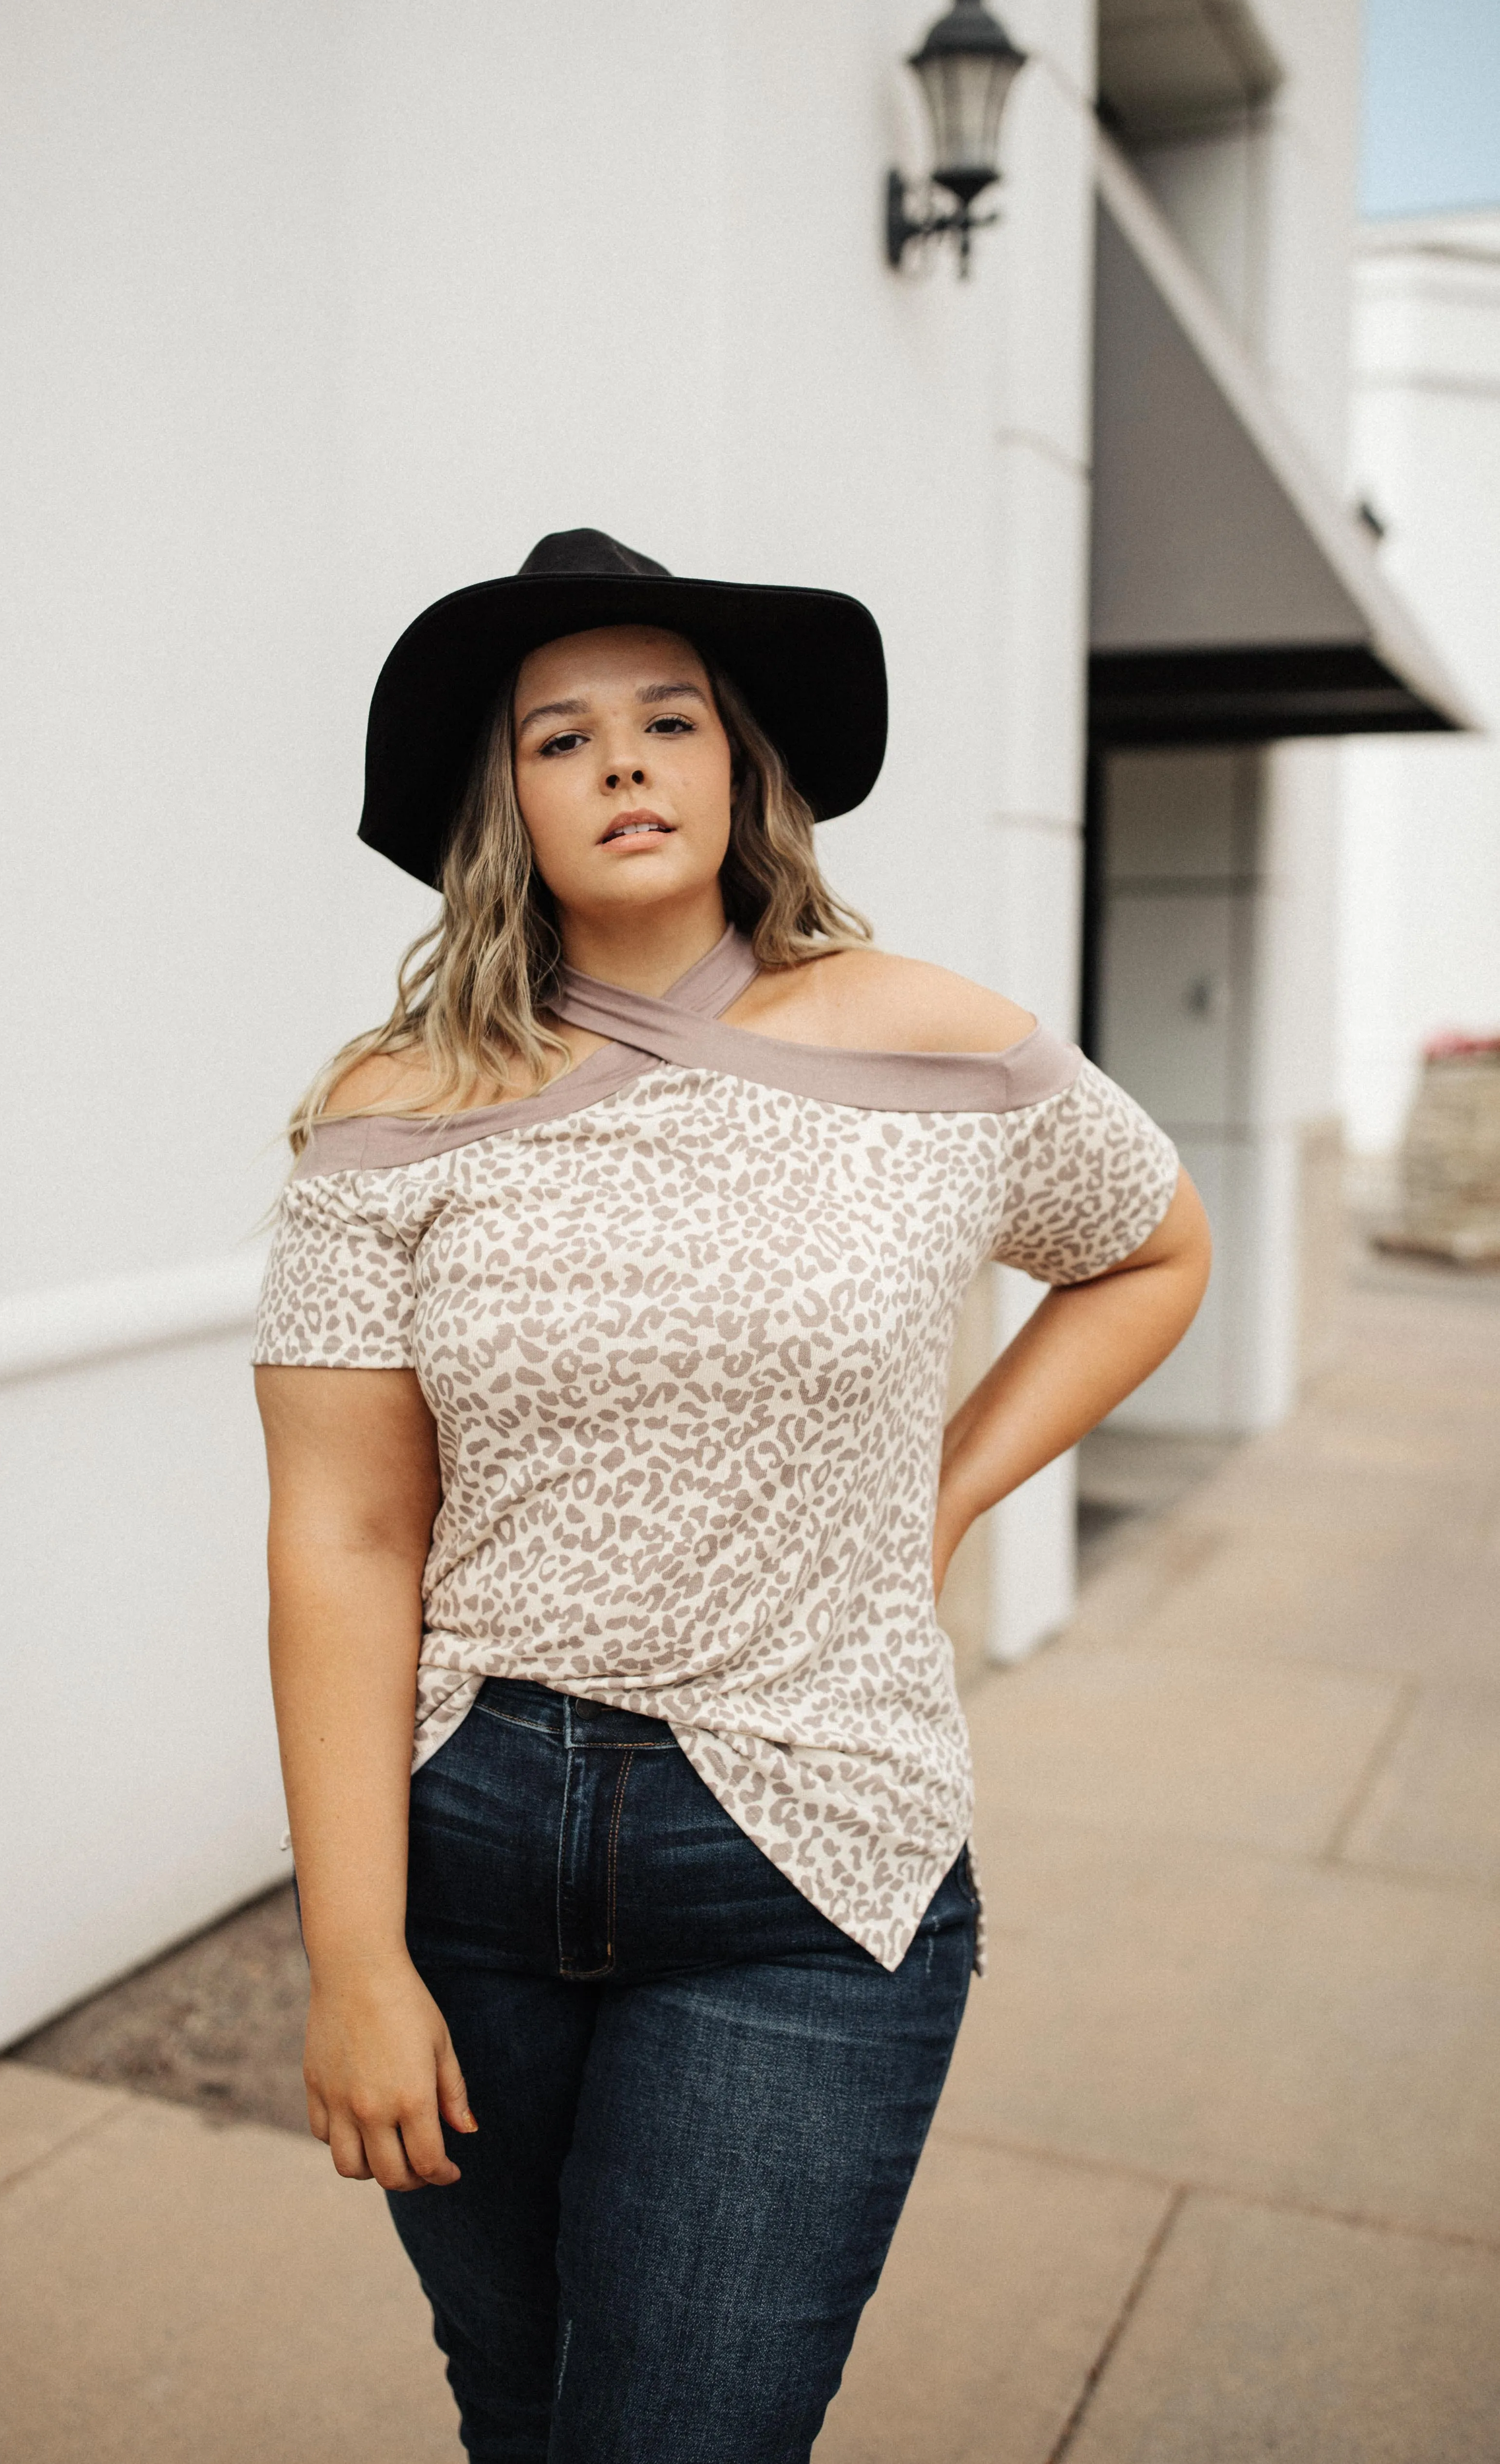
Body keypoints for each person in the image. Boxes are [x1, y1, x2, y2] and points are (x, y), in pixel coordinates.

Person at [252, 528, 1210, 2464]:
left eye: (668, 717)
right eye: (561, 736)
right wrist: (353, 1954)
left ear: (738, 762)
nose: (623, 762)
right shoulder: (393, 1100)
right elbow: (344, 1537)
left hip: (808, 1855)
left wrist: (940, 1502)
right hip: (474, 1843)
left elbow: (1154, 1249)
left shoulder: (932, 1041)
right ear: (500, 803)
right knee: (521, 2414)